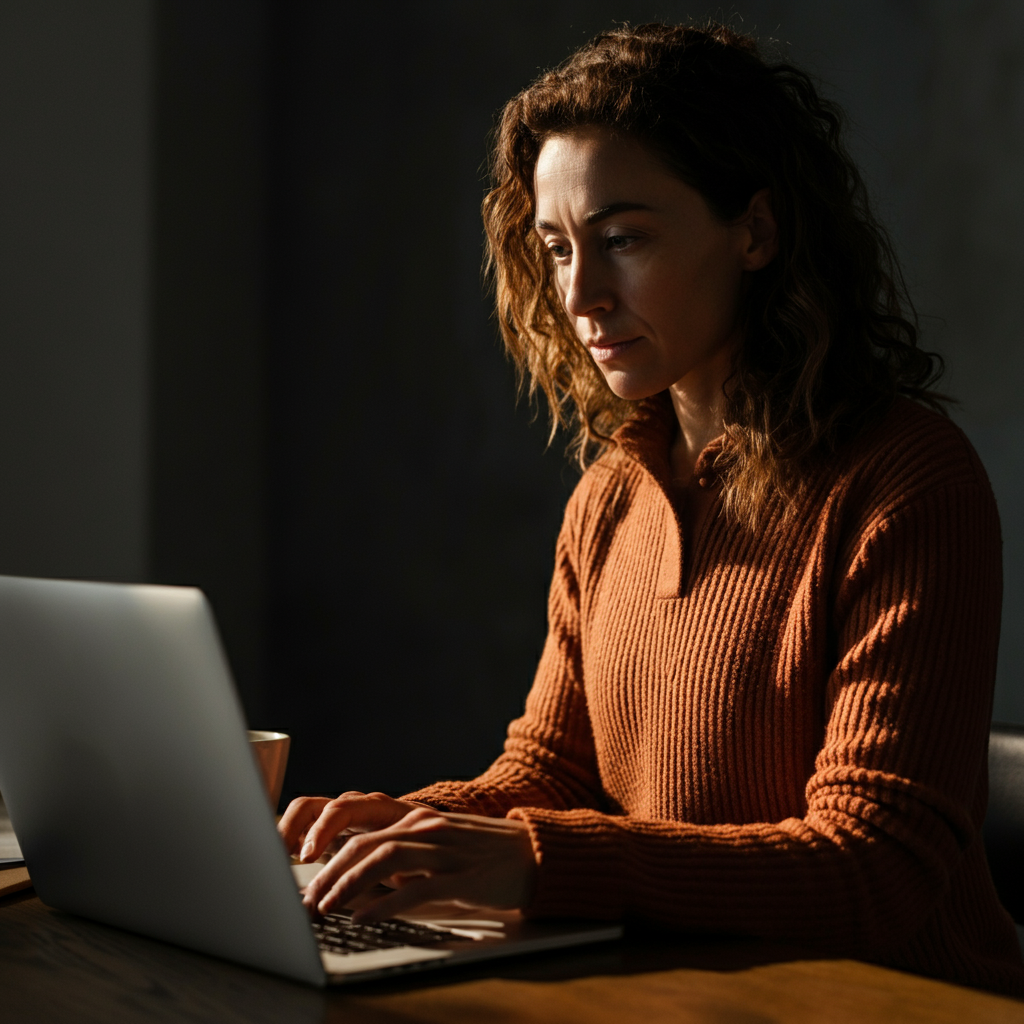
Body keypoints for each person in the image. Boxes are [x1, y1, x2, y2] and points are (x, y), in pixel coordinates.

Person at [278, 21, 1024, 996]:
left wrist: (537, 859)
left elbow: (872, 867)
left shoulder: (906, 481)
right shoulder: (609, 497)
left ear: (755, 231)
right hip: (677, 996)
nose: (580, 294)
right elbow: (550, 770)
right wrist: (403, 830)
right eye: (555, 248)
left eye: (622, 238)